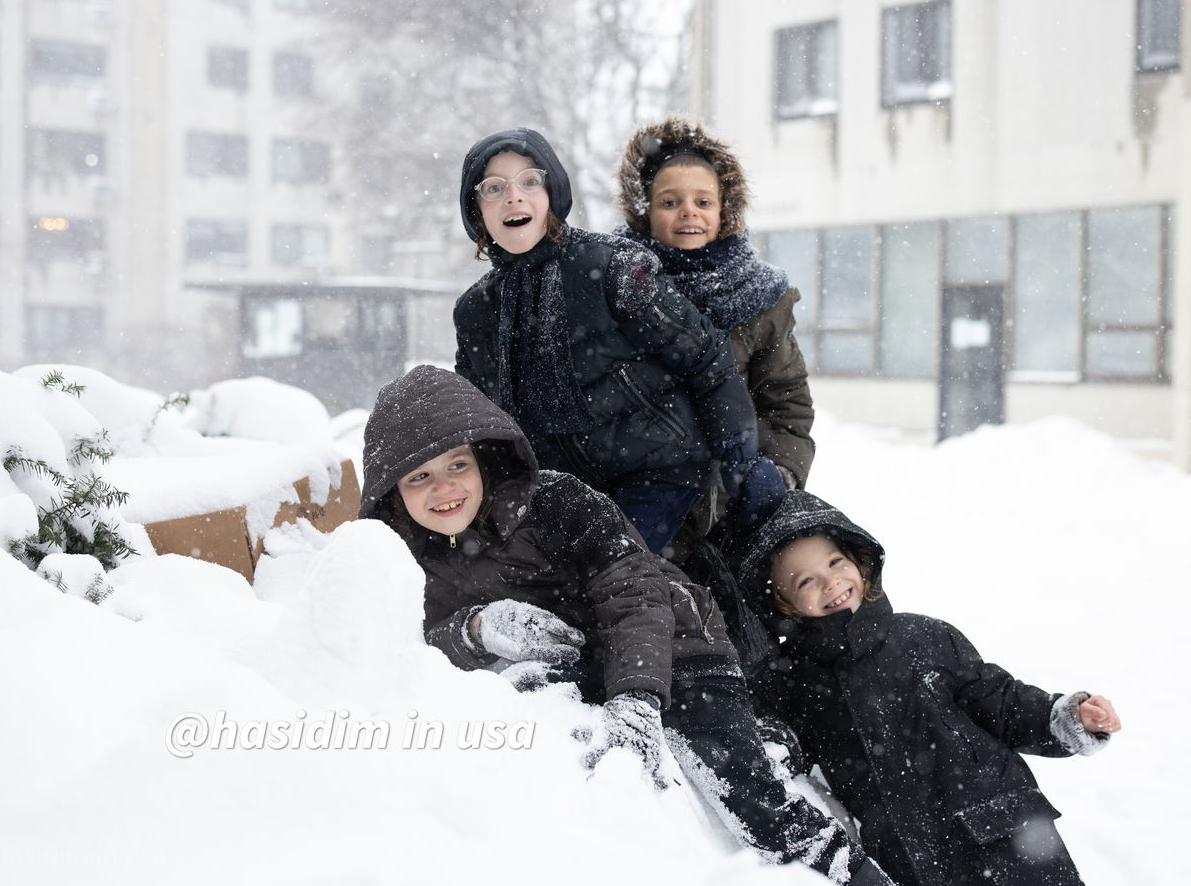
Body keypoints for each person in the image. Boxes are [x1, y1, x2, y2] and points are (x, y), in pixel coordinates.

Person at [357, 364, 894, 886]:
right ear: (392, 492)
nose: (444, 488)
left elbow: (634, 591)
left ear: (483, 458)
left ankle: (849, 870)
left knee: (749, 801)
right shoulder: (403, 559)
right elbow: (403, 643)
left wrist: (637, 695)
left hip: (677, 649)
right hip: (577, 668)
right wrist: (476, 630)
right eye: (419, 476)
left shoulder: (556, 501)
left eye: (457, 465)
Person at [736, 490, 1122, 886]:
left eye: (836, 562)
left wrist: (1066, 717)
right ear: (782, 605)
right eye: (806, 582)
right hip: (909, 858)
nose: (832, 582)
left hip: (1004, 833)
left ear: (860, 562)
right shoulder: (789, 682)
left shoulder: (924, 636)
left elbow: (1000, 701)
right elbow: (778, 748)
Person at [451, 127, 785, 557]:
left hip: (659, 472)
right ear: (476, 210)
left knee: (609, 575)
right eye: (494, 188)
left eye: (530, 181)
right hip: (560, 491)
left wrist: (739, 452)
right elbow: (476, 418)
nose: (514, 197)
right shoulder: (475, 311)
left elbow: (705, 356)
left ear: (553, 192)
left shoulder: (613, 267)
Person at [614, 116, 814, 559]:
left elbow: (787, 403)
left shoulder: (761, 299)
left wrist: (778, 472)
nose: (689, 212)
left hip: (731, 515)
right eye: (670, 201)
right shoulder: (611, 285)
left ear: (725, 209)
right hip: (635, 513)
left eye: (704, 200)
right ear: (644, 208)